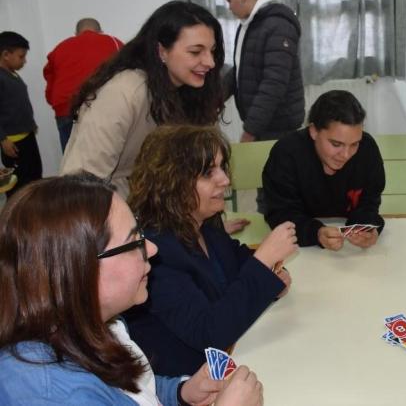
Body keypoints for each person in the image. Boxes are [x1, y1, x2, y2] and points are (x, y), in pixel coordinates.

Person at [0, 173, 264, 406]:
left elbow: (129, 393)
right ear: (80, 270)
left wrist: (181, 393)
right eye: (133, 241)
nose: (152, 249)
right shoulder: (51, 394)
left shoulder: (96, 325)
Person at [124, 125, 298, 377]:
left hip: (232, 354)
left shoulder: (204, 224)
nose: (225, 180)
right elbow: (209, 333)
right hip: (190, 380)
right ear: (171, 182)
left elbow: (240, 265)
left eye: (222, 167)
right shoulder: (155, 252)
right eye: (208, 173)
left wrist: (271, 277)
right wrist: (264, 263)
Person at [60, 1, 225, 199]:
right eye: (195, 52)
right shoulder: (124, 92)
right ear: (162, 51)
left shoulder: (189, 91)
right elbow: (83, 184)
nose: (210, 62)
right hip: (111, 208)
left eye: (212, 51)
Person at [262, 90, 385, 250]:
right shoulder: (286, 154)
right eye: (336, 144)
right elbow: (280, 213)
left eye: (354, 144)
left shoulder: (367, 149)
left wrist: (366, 227)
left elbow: (369, 202)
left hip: (349, 252)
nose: (346, 155)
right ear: (313, 131)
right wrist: (316, 233)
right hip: (300, 248)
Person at [220, 0, 304, 143]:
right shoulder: (249, 25)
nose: (229, 8)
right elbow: (241, 70)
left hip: (278, 127)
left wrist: (250, 131)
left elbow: (274, 83)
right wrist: (214, 99)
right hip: (263, 124)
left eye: (229, 1)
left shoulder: (278, 25)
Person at [44, 18, 123, 150]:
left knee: (71, 156)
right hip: (101, 107)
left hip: (66, 109)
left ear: (76, 33)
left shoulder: (60, 48)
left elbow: (50, 80)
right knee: (106, 154)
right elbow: (128, 72)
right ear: (100, 31)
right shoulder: (113, 42)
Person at [0, 31, 42, 198]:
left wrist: (30, 123)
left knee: (34, 176)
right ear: (6, 55)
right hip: (13, 143)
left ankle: (34, 209)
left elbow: (17, 104)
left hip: (27, 136)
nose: (24, 61)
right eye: (21, 56)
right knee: (18, 185)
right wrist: (3, 139)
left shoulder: (12, 74)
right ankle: (18, 212)